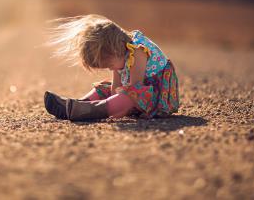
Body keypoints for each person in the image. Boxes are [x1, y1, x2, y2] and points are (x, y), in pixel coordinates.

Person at [44, 14, 179, 121]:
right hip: (137, 91)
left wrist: (117, 105)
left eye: (109, 65)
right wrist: (113, 99)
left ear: (115, 50)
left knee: (131, 94)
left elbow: (136, 87)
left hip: (155, 95)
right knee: (104, 89)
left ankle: (88, 110)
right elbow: (115, 88)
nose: (110, 69)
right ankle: (78, 104)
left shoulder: (138, 52)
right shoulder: (120, 53)